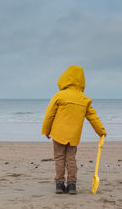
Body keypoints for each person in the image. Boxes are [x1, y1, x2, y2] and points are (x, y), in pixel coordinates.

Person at [41, 66, 107, 194]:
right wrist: (101, 131)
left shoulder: (59, 96)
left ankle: (59, 184)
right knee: (71, 159)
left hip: (58, 133)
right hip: (73, 136)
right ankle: (72, 185)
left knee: (59, 158)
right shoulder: (84, 99)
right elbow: (93, 117)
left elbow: (49, 115)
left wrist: (46, 130)